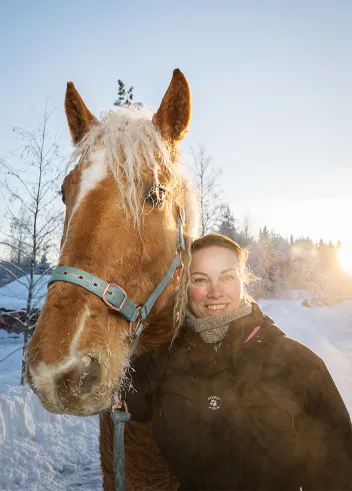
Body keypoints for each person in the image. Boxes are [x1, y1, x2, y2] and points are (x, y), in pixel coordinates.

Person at [122, 233, 352, 491]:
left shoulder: (300, 366)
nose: (215, 292)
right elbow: (101, 388)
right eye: (200, 279)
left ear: (243, 281)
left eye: (227, 277)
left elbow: (339, 475)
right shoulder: (159, 365)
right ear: (185, 287)